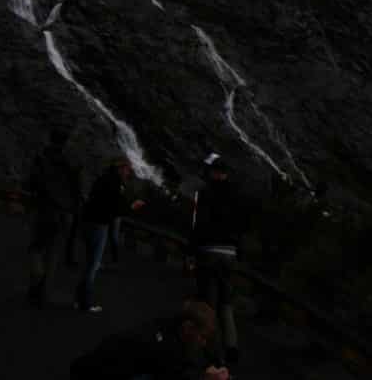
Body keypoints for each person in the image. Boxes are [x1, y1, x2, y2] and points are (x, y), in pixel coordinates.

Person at [188, 156, 253, 361]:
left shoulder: (205, 193)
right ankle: (232, 347)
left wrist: (191, 252)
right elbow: (243, 225)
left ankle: (212, 351)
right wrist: (239, 249)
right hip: (230, 253)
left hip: (209, 250)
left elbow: (197, 225)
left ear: (214, 173)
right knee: (226, 301)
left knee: (208, 303)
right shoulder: (239, 195)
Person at [69, 299, 233, 380]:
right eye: (202, 337)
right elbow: (171, 370)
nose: (203, 342)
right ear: (188, 327)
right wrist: (204, 376)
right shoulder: (161, 344)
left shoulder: (171, 328)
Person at [76, 157, 148, 313]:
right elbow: (116, 207)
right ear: (120, 168)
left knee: (89, 262)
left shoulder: (103, 178)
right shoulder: (115, 184)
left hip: (87, 221)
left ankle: (80, 298)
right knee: (93, 265)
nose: (129, 172)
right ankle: (85, 303)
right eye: (127, 169)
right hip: (99, 224)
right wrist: (132, 207)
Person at [26, 132, 82, 307]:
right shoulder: (72, 163)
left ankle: (37, 274)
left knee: (36, 248)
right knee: (53, 254)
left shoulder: (42, 159)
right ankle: (42, 293)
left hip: (45, 210)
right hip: (65, 214)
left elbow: (31, 183)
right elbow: (77, 190)